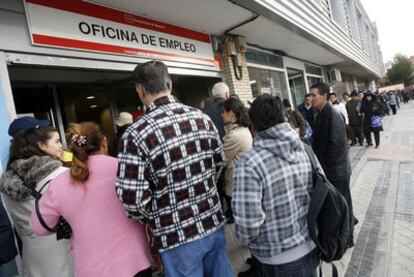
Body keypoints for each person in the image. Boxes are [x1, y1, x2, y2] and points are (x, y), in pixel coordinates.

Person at [116, 61, 233, 277]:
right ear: (169, 84)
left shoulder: (135, 133)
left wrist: (162, 213)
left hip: (175, 236)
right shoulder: (202, 118)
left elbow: (133, 201)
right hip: (212, 222)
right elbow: (219, 163)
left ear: (140, 91)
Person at [30, 122, 151, 277]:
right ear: (104, 142)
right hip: (135, 260)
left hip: (91, 267)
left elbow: (39, 227)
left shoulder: (59, 183)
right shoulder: (125, 169)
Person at [232, 94, 319, 277]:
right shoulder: (305, 150)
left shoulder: (249, 164)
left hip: (276, 261)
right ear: (284, 118)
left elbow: (247, 228)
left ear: (253, 126)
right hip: (312, 248)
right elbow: (321, 194)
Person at [0, 126, 73, 277]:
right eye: (57, 141)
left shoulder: (7, 183)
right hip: (63, 254)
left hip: (31, 256)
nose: (61, 146)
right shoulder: (62, 175)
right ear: (41, 146)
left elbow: (18, 228)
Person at [310, 82, 355, 245]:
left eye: (314, 95)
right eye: (310, 95)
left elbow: (335, 146)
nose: (311, 98)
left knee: (343, 205)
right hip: (329, 170)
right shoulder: (320, 114)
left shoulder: (333, 114)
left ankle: (348, 237)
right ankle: (341, 233)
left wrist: (324, 169)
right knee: (337, 206)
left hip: (337, 171)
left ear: (324, 96)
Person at [221, 98, 252, 223]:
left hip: (235, 181)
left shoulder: (235, 135)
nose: (221, 114)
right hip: (239, 177)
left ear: (231, 113)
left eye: (224, 111)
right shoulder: (241, 130)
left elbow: (222, 158)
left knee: (239, 218)